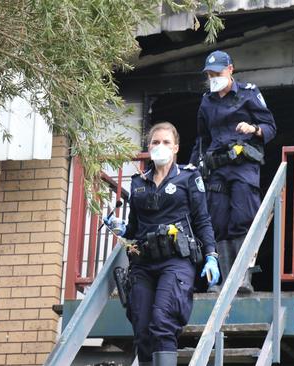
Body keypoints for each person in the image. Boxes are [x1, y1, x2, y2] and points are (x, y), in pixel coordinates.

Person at [104, 122, 220, 366]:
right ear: (149, 146)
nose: (160, 146)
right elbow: (134, 229)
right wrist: (120, 228)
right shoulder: (138, 183)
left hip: (176, 261)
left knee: (162, 321)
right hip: (143, 264)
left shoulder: (188, 177)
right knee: (143, 328)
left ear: (176, 147)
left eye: (166, 142)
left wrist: (212, 255)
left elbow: (203, 221)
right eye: (155, 142)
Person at [189, 50, 277, 294]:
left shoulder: (249, 93)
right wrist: (193, 168)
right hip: (216, 169)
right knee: (216, 221)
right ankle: (218, 281)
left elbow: (270, 127)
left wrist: (253, 128)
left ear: (230, 70)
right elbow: (202, 138)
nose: (213, 77)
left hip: (243, 167)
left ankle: (241, 280)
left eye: (217, 72)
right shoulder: (207, 101)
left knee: (242, 220)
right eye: (209, 74)